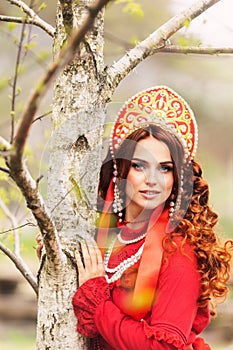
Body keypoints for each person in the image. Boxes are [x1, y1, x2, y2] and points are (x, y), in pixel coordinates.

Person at [71, 86, 233, 350]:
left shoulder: (178, 253)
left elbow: (163, 347)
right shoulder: (107, 237)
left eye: (165, 168)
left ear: (177, 178)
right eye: (139, 165)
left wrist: (98, 303)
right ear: (120, 170)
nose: (152, 180)